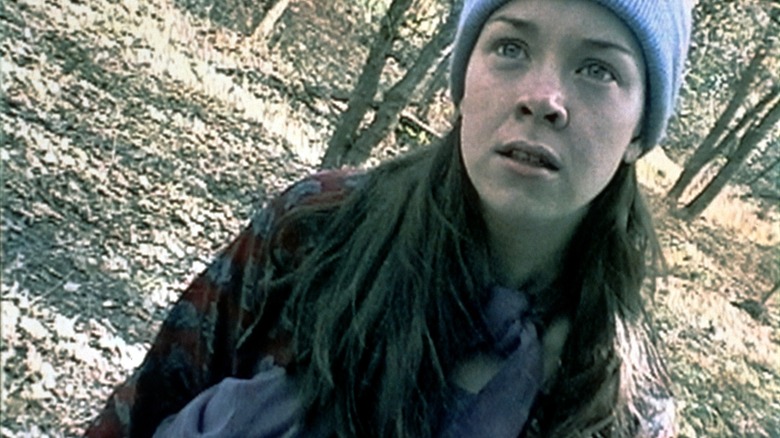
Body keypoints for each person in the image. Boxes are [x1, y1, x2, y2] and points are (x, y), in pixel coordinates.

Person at [85, 0, 692, 436]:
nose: (543, 97)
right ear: (462, 83)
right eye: (510, 46)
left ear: (639, 130)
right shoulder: (314, 232)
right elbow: (139, 413)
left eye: (598, 70)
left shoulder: (620, 404)